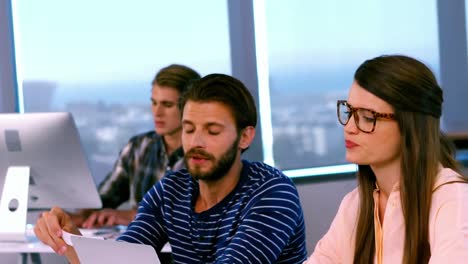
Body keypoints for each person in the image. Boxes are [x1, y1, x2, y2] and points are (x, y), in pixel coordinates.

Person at [34, 73, 308, 263]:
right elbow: (124, 259)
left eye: (212, 131)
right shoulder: (170, 191)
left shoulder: (272, 192)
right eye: (188, 129)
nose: (196, 142)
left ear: (245, 137)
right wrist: (70, 240)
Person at [305, 55, 468, 264]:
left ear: (410, 126)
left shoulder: (454, 202)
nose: (349, 128)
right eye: (349, 111)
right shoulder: (355, 205)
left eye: (367, 117)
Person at [72, 64, 201, 228]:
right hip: (138, 251)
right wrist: (80, 216)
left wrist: (134, 215)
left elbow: (199, 217)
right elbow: (105, 198)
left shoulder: (206, 155)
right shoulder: (137, 147)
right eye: (154, 103)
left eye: (167, 105)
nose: (157, 112)